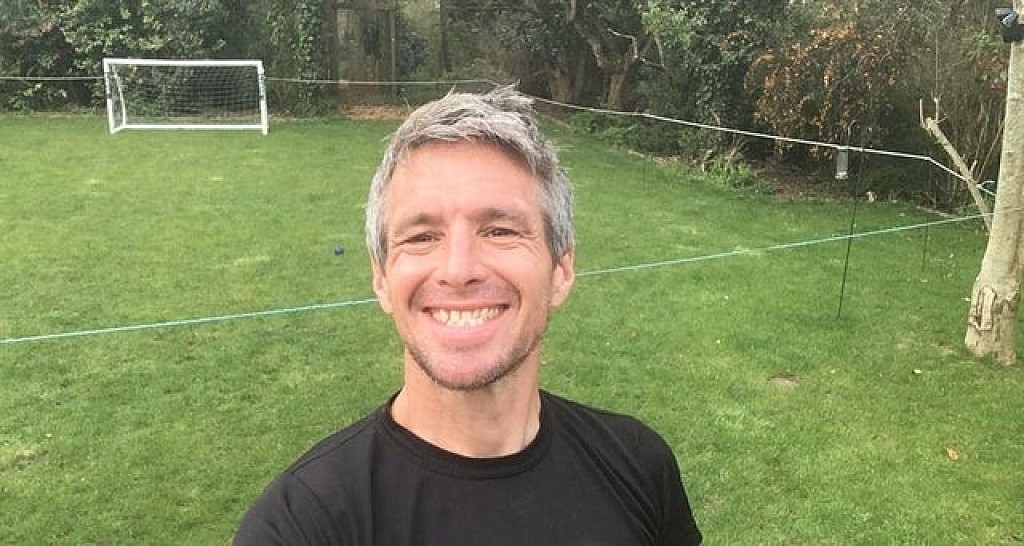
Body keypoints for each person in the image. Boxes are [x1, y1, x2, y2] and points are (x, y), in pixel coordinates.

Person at [233, 86, 702, 545]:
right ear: (381, 279)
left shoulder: (639, 467)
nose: (458, 271)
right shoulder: (299, 526)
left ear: (560, 271)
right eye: (421, 237)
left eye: (500, 231)